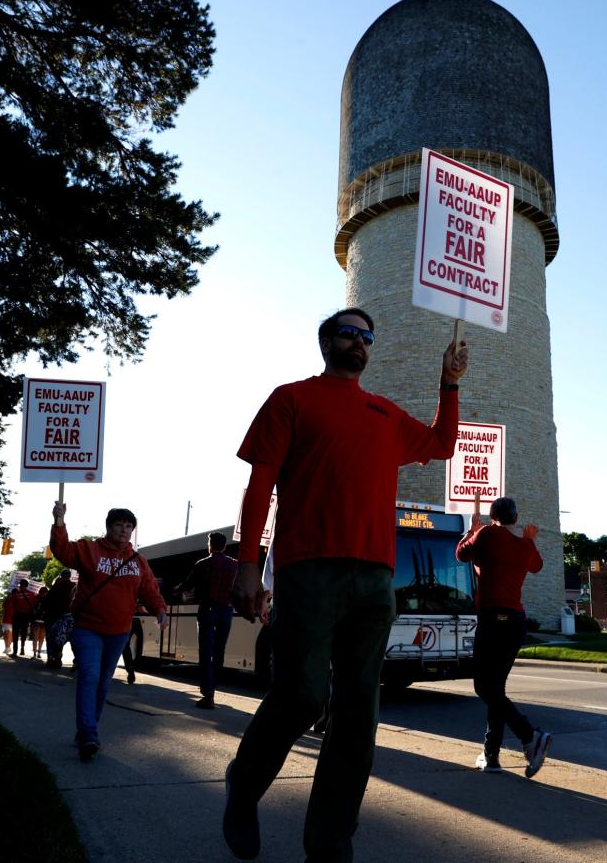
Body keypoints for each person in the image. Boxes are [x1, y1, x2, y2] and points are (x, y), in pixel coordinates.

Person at [223, 307, 468, 862]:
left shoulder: (383, 412)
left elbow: (443, 444)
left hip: (375, 578)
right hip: (308, 568)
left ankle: (330, 842)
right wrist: (246, 565)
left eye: (367, 337)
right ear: (326, 342)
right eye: (349, 333)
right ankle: (245, 783)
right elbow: (260, 484)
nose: (360, 342)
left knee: (359, 715)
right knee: (301, 696)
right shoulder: (291, 398)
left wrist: (448, 384)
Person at [49, 504, 168, 762]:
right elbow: (62, 550)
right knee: (90, 676)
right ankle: (89, 733)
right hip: (87, 628)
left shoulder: (138, 561)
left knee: (103, 683)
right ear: (109, 526)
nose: (124, 531)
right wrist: (59, 521)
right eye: (119, 525)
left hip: (119, 632)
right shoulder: (89, 549)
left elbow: (149, 590)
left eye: (128, 527)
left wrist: (159, 609)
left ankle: (88, 727)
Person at [455, 496, 551, 777]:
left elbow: (461, 554)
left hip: (493, 619)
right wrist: (529, 539)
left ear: (492, 516)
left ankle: (530, 736)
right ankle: (491, 755)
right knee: (496, 688)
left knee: (485, 688)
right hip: (515, 622)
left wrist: (471, 531)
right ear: (516, 518)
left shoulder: (487, 534)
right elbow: (536, 566)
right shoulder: (523, 544)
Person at [177, 531, 239, 709]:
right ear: (225, 546)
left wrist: (175, 591)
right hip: (227, 611)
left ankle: (208, 693)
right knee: (219, 651)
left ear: (209, 545)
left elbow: (187, 585)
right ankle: (214, 688)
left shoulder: (202, 564)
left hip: (207, 610)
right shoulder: (235, 565)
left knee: (205, 651)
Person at [44, 569, 75, 667]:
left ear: (61, 576)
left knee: (51, 637)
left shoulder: (57, 586)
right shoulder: (74, 586)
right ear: (69, 576)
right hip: (69, 616)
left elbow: (46, 599)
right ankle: (74, 661)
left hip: (55, 616)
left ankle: (52, 658)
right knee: (69, 639)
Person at [8, 580, 37, 657]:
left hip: (17, 615)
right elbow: (34, 604)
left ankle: (15, 651)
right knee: (24, 632)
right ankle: (22, 649)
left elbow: (11, 604)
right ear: (27, 585)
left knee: (15, 633)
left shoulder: (16, 594)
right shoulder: (32, 594)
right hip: (26, 616)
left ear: (20, 585)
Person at [30, 585, 49, 659]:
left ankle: (37, 653)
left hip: (37, 620)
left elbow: (32, 610)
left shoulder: (36, 599)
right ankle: (36, 653)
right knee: (39, 637)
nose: (44, 594)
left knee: (38, 637)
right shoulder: (47, 600)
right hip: (41, 621)